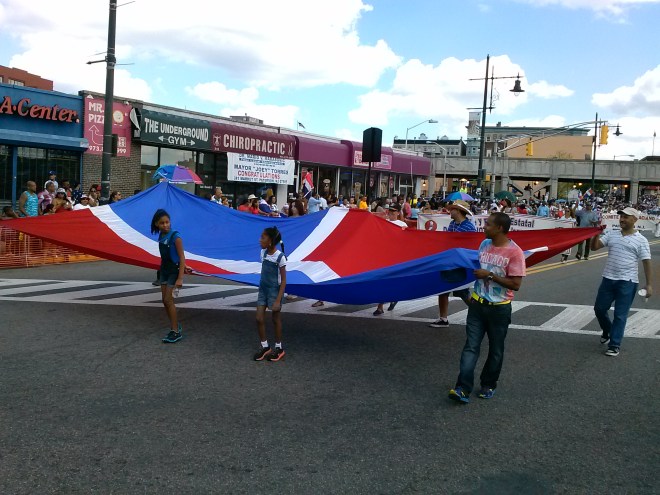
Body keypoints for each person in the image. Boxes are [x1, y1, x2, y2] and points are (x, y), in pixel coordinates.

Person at [448, 212, 526, 404]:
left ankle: (488, 384)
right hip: (477, 304)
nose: (484, 227)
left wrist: (489, 275)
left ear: (499, 228)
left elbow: (515, 284)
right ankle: (462, 388)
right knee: (470, 347)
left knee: (496, 349)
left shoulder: (515, 252)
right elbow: (477, 269)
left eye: (488, 224)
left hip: (499, 308)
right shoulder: (484, 245)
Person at [590, 207, 653, 357]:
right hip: (608, 279)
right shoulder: (612, 234)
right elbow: (595, 248)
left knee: (620, 314)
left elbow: (646, 262)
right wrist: (595, 235)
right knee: (599, 309)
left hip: (628, 281)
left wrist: (649, 284)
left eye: (626, 217)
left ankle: (614, 344)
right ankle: (608, 329)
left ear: (635, 220)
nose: (622, 219)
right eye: (621, 217)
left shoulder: (641, 240)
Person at [429, 200, 476, 328]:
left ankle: (478, 315)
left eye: (453, 209)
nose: (450, 211)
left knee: (463, 292)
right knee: (443, 290)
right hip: (449, 262)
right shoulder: (452, 224)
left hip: (459, 264)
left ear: (459, 211)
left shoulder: (469, 227)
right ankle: (443, 318)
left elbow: (470, 246)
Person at [151, 209, 189, 344]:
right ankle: (175, 325)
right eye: (162, 223)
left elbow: (181, 256)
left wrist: (180, 277)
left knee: (168, 300)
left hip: (174, 271)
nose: (165, 225)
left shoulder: (175, 236)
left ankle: (175, 331)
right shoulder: (161, 235)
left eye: (167, 222)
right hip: (164, 271)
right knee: (164, 301)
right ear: (156, 224)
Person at [253, 227, 287, 362]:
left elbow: (283, 280)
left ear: (271, 241)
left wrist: (278, 300)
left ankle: (279, 347)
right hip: (263, 289)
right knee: (259, 318)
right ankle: (265, 346)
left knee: (275, 319)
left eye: (263, 237)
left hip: (274, 291)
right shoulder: (263, 253)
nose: (260, 240)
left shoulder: (280, 257)